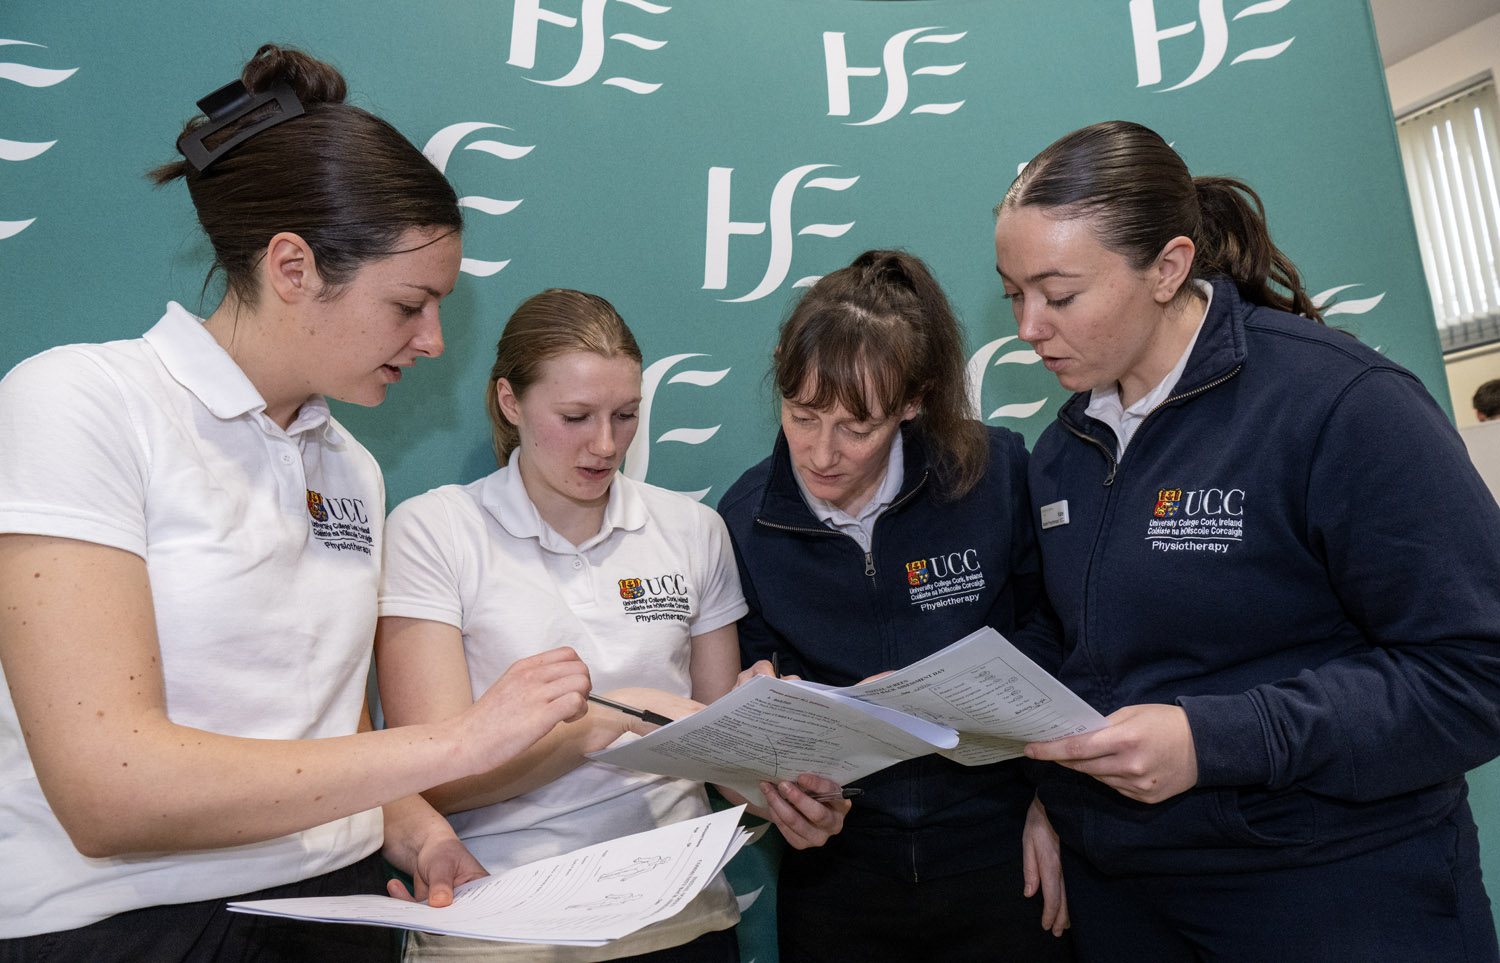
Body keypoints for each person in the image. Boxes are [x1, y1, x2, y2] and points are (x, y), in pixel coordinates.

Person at [0, 45, 594, 962]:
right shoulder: (83, 402)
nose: (434, 341)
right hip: (132, 924)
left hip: (337, 911)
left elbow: (323, 733)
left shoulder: (350, 464)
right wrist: (459, 742)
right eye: (410, 304)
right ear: (292, 266)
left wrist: (421, 832)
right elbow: (108, 791)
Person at [994, 120, 1500, 961]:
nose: (1027, 326)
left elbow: (1476, 670)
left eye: (1059, 294)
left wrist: (1215, 739)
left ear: (1168, 267)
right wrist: (1013, 734)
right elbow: (1091, 641)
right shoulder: (1065, 448)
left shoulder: (1340, 403)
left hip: (1334, 888)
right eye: (1013, 292)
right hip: (1130, 894)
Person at [375, 288, 849, 963]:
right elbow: (436, 775)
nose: (605, 444)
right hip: (502, 921)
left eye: (625, 416)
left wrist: (783, 785)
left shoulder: (692, 530)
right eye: (575, 416)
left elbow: (712, 752)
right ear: (511, 402)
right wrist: (615, 718)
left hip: (678, 915)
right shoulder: (435, 530)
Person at [717, 249, 1072, 963]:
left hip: (998, 851)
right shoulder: (747, 517)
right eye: (802, 413)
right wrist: (767, 746)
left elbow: (1060, 635)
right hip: (839, 874)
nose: (821, 452)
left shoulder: (994, 472)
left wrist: (1054, 803)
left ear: (914, 401)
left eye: (857, 426)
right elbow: (758, 684)